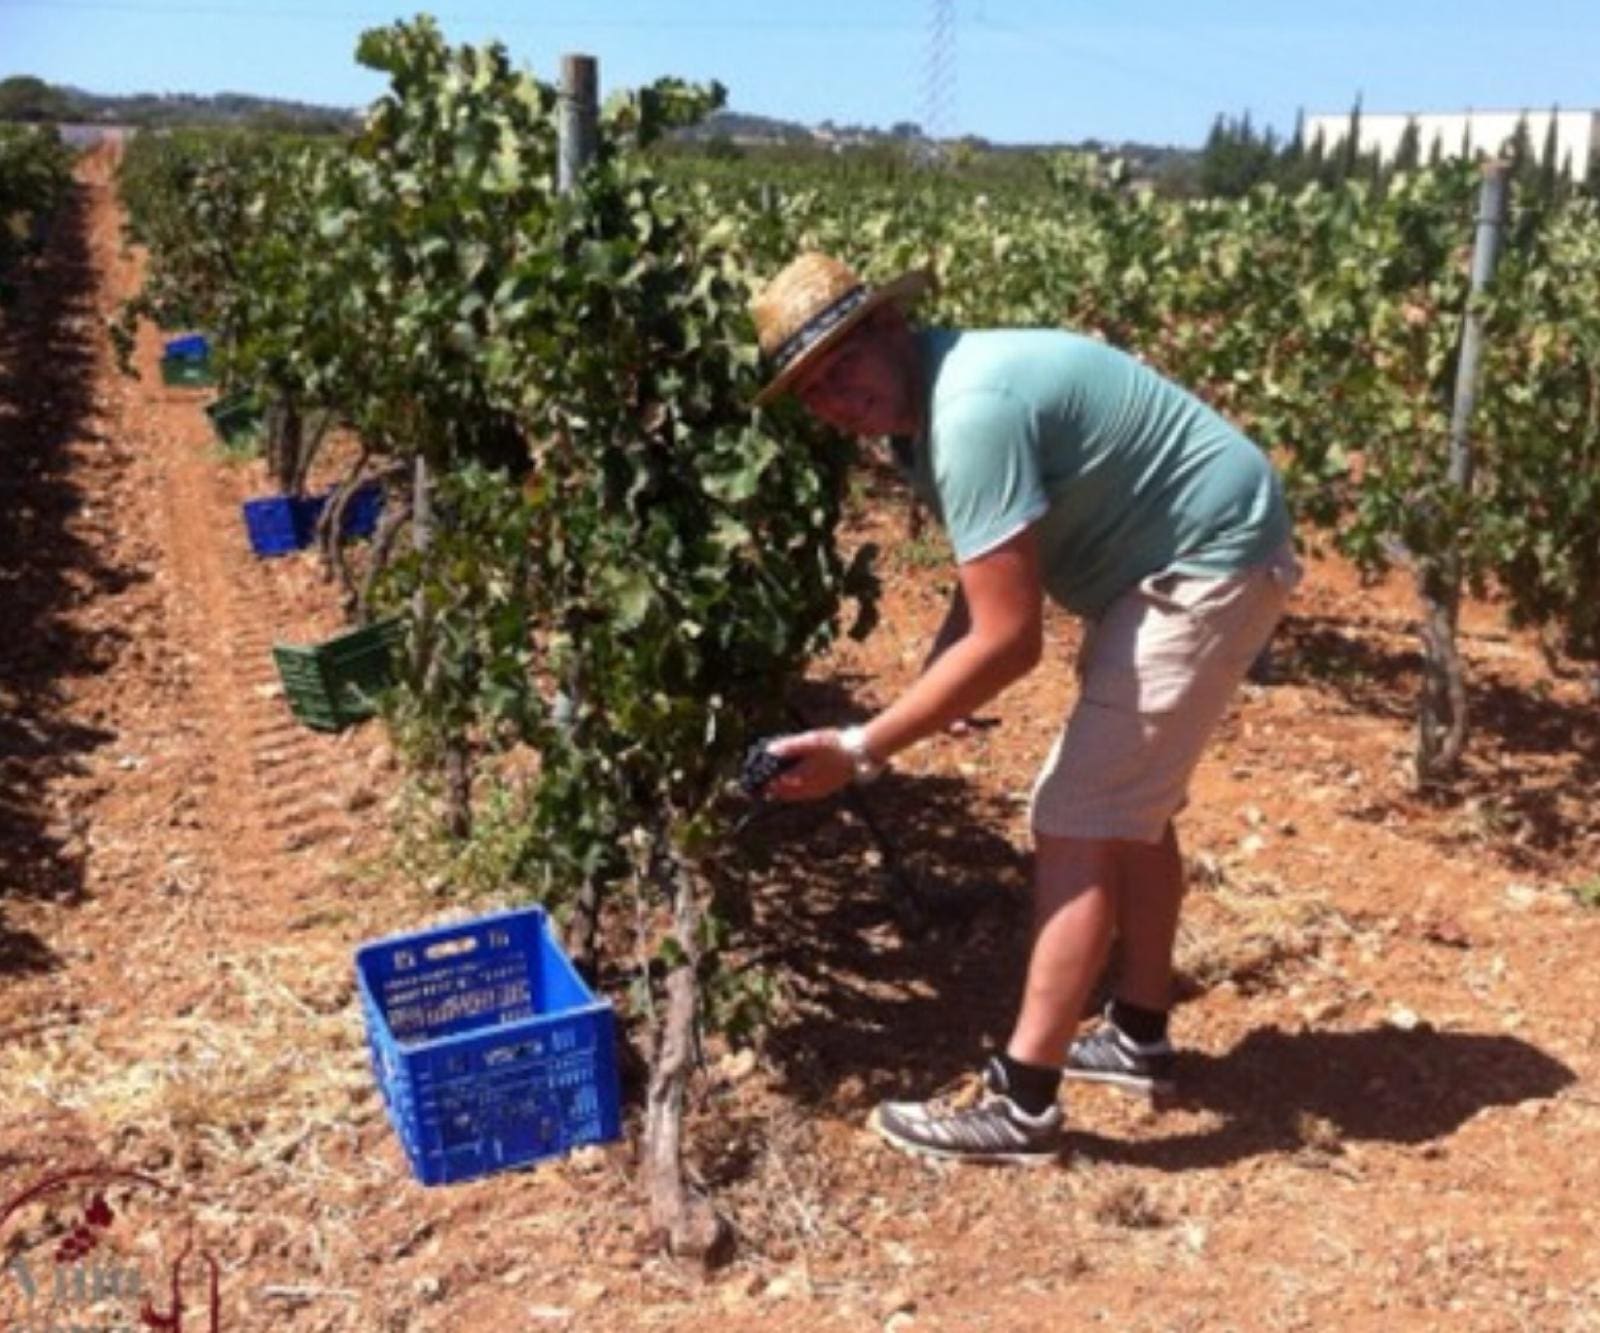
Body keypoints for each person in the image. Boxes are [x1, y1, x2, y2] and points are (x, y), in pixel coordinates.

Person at [750, 252, 1301, 1166]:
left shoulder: (969, 411)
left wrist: (861, 746)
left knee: (1077, 811)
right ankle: (1138, 1034)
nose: (836, 399)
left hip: (1208, 559)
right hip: (1178, 559)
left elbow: (1011, 641)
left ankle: (1023, 1102)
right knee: (1131, 804)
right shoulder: (927, 412)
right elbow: (993, 574)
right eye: (813, 392)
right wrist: (936, 678)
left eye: (842, 366)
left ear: (888, 329)